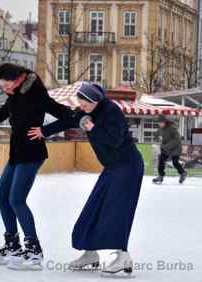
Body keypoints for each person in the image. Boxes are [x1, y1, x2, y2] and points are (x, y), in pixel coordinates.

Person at [28, 82, 144, 276]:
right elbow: (68, 120)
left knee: (117, 211)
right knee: (93, 207)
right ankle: (90, 253)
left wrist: (91, 127)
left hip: (128, 166)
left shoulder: (111, 112)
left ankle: (123, 257)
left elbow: (114, 139)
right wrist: (44, 132)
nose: (82, 108)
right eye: (80, 104)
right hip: (111, 168)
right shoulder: (84, 110)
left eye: (85, 105)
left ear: (96, 101)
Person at [0, 63, 72, 270]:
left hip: (32, 153)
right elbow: (1, 114)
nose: (2, 87)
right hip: (16, 153)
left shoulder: (36, 94)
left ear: (15, 79)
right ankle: (13, 244)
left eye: (4, 83)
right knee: (1, 196)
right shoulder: (14, 95)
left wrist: (45, 131)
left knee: (16, 199)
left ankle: (34, 250)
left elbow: (68, 116)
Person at [152, 115, 187, 184]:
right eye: (159, 123)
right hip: (166, 148)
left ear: (165, 122)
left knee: (175, 162)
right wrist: (156, 137)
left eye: (161, 122)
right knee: (161, 160)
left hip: (175, 148)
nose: (159, 124)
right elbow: (156, 134)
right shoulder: (160, 129)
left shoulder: (172, 128)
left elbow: (177, 140)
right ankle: (160, 176)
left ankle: (183, 173)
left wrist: (166, 146)